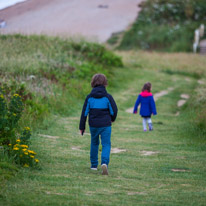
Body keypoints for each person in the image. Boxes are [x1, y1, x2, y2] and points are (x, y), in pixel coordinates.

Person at [79, 73, 118, 175]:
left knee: (94, 143)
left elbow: (84, 113)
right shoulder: (108, 97)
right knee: (106, 144)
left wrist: (81, 127)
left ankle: (93, 166)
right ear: (105, 83)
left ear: (93, 83)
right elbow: (114, 110)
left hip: (93, 125)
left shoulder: (89, 97)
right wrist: (112, 119)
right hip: (105, 125)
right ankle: (104, 163)